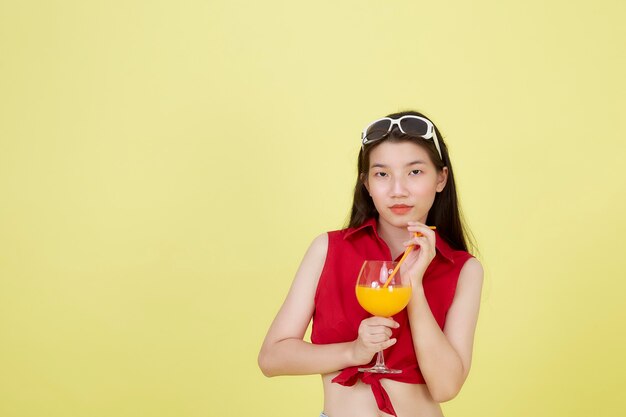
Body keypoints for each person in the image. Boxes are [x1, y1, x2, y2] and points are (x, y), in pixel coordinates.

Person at [258, 110, 484, 417]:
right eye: (382, 174)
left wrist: (413, 285)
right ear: (366, 183)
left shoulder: (463, 269)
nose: (398, 190)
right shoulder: (328, 249)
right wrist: (353, 351)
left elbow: (446, 387)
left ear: (441, 178)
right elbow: (272, 358)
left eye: (415, 172)